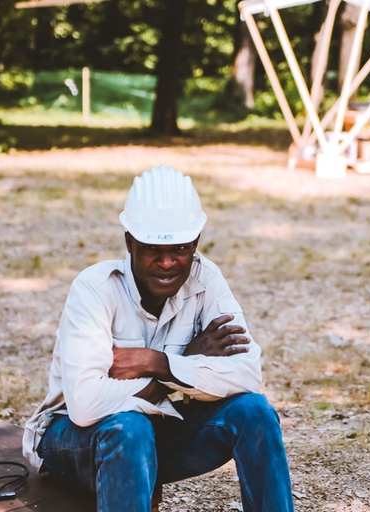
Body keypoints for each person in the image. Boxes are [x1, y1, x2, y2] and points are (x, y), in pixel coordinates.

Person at [23, 165, 294, 512]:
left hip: (157, 433)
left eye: (180, 248)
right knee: (130, 427)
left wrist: (157, 364)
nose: (167, 263)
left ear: (195, 244)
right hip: (75, 441)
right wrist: (184, 373)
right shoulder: (94, 288)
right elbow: (86, 403)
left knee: (255, 412)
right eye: (153, 249)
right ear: (130, 242)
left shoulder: (206, 280)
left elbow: (248, 375)